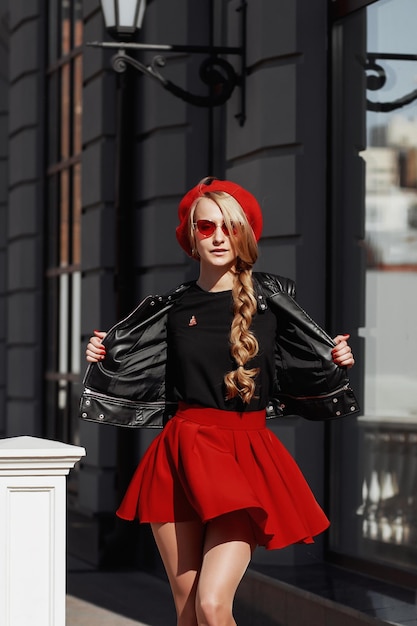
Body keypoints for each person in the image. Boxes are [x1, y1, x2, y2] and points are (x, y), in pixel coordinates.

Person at [85, 177, 354, 626]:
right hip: (179, 455)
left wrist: (339, 359)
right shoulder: (168, 308)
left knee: (213, 605)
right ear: (191, 235)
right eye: (206, 227)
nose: (218, 237)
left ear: (245, 233)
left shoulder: (271, 301)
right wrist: (103, 355)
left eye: (229, 227)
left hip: (243, 457)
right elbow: (132, 369)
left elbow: (311, 361)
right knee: (188, 609)